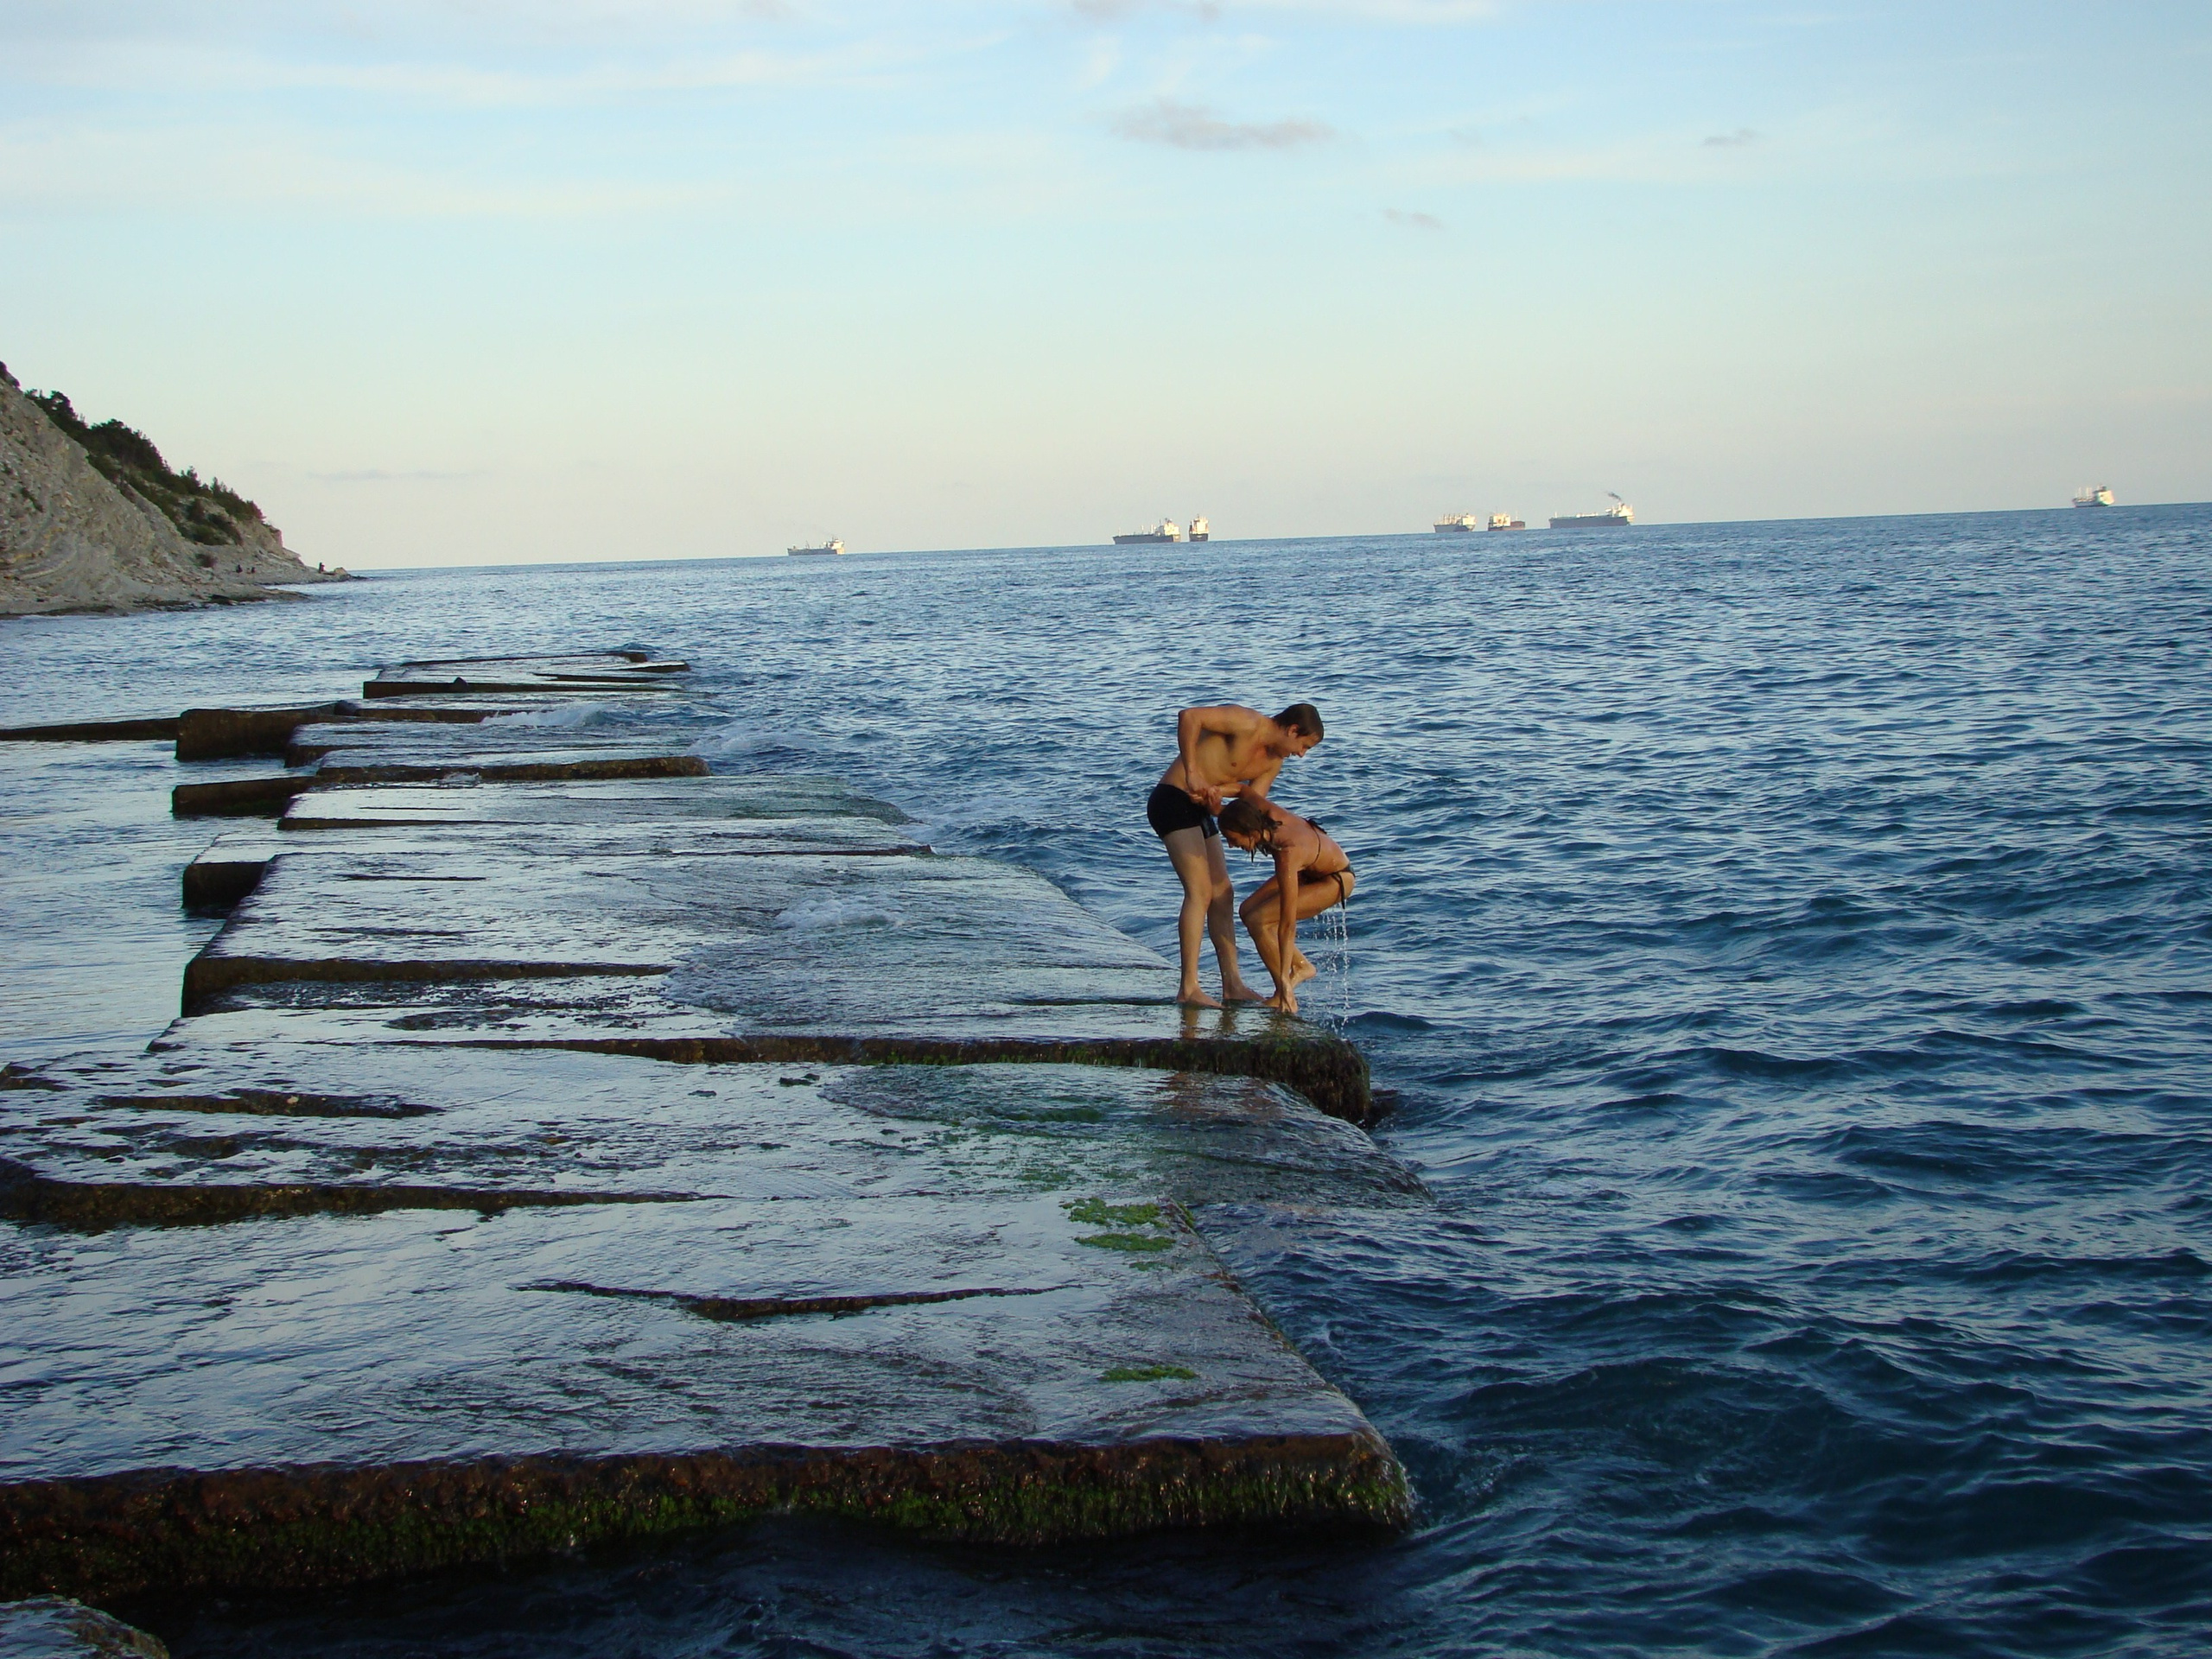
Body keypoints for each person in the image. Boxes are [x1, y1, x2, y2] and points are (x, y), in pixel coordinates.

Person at [1147, 702, 1324, 1007]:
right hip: (1172, 799)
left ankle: (1232, 985)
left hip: (1202, 811)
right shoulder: (1247, 723)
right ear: (1293, 730)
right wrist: (1192, 773)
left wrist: (1219, 809)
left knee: (1223, 892)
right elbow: (1189, 717)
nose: (1302, 754)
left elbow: (1250, 812)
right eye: (1303, 745)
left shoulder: (1272, 764)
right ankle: (1188, 987)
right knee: (1200, 891)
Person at [1217, 793, 1356, 1016]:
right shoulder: (1265, 813)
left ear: (1252, 833)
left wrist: (1284, 978)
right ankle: (1300, 968)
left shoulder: (1287, 855)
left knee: (1259, 919)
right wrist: (1213, 796)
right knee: (1246, 910)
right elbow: (1242, 791)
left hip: (1336, 879)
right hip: (1310, 870)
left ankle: (1285, 990)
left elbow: (1287, 923)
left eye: (1234, 839)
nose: (1232, 846)